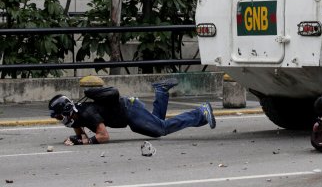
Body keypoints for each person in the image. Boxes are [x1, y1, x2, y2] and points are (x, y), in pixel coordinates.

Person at [48, 78, 216, 145]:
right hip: (129, 112)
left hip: (130, 110)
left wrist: (81, 143)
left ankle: (200, 112)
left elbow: (104, 136)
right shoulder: (76, 117)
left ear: (67, 110)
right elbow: (81, 135)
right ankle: (161, 91)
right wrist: (77, 139)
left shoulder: (87, 113)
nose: (59, 119)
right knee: (156, 124)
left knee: (161, 129)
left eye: (59, 116)